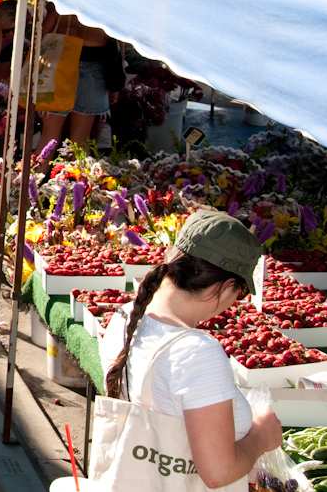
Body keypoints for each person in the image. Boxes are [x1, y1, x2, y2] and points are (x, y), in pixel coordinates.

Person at [98, 209, 282, 489]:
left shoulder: (126, 317)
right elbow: (218, 472)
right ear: (227, 286)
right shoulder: (197, 352)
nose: (235, 301)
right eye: (240, 293)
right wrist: (260, 436)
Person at [39, 11, 117, 148]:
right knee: (80, 143)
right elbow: (116, 40)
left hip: (59, 65)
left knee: (49, 138)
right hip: (93, 64)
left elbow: (43, 32)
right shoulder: (103, 0)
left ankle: (36, 169)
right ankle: (73, 169)